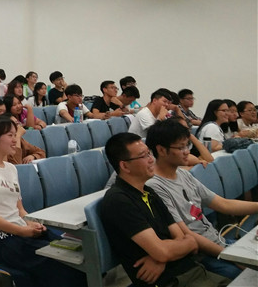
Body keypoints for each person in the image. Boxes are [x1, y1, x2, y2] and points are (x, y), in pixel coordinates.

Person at [0, 116, 87, 287]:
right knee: (56, 263)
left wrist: (32, 223)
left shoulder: (11, 168)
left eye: (15, 134)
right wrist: (20, 230)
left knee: (71, 251)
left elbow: (20, 209)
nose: (14, 140)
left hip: (19, 230)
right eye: (10, 135)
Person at [100, 132, 230, 287]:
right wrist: (166, 252)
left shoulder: (149, 192)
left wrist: (162, 257)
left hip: (191, 271)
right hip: (171, 281)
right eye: (143, 156)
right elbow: (169, 249)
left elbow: (187, 240)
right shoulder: (119, 201)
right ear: (124, 166)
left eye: (149, 153)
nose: (151, 159)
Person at [146, 120, 257, 280]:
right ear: (161, 150)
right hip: (201, 255)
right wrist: (232, 257)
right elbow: (187, 235)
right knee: (250, 276)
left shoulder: (183, 174)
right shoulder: (154, 186)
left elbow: (223, 204)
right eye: (181, 147)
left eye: (187, 145)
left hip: (219, 242)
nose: (187, 152)